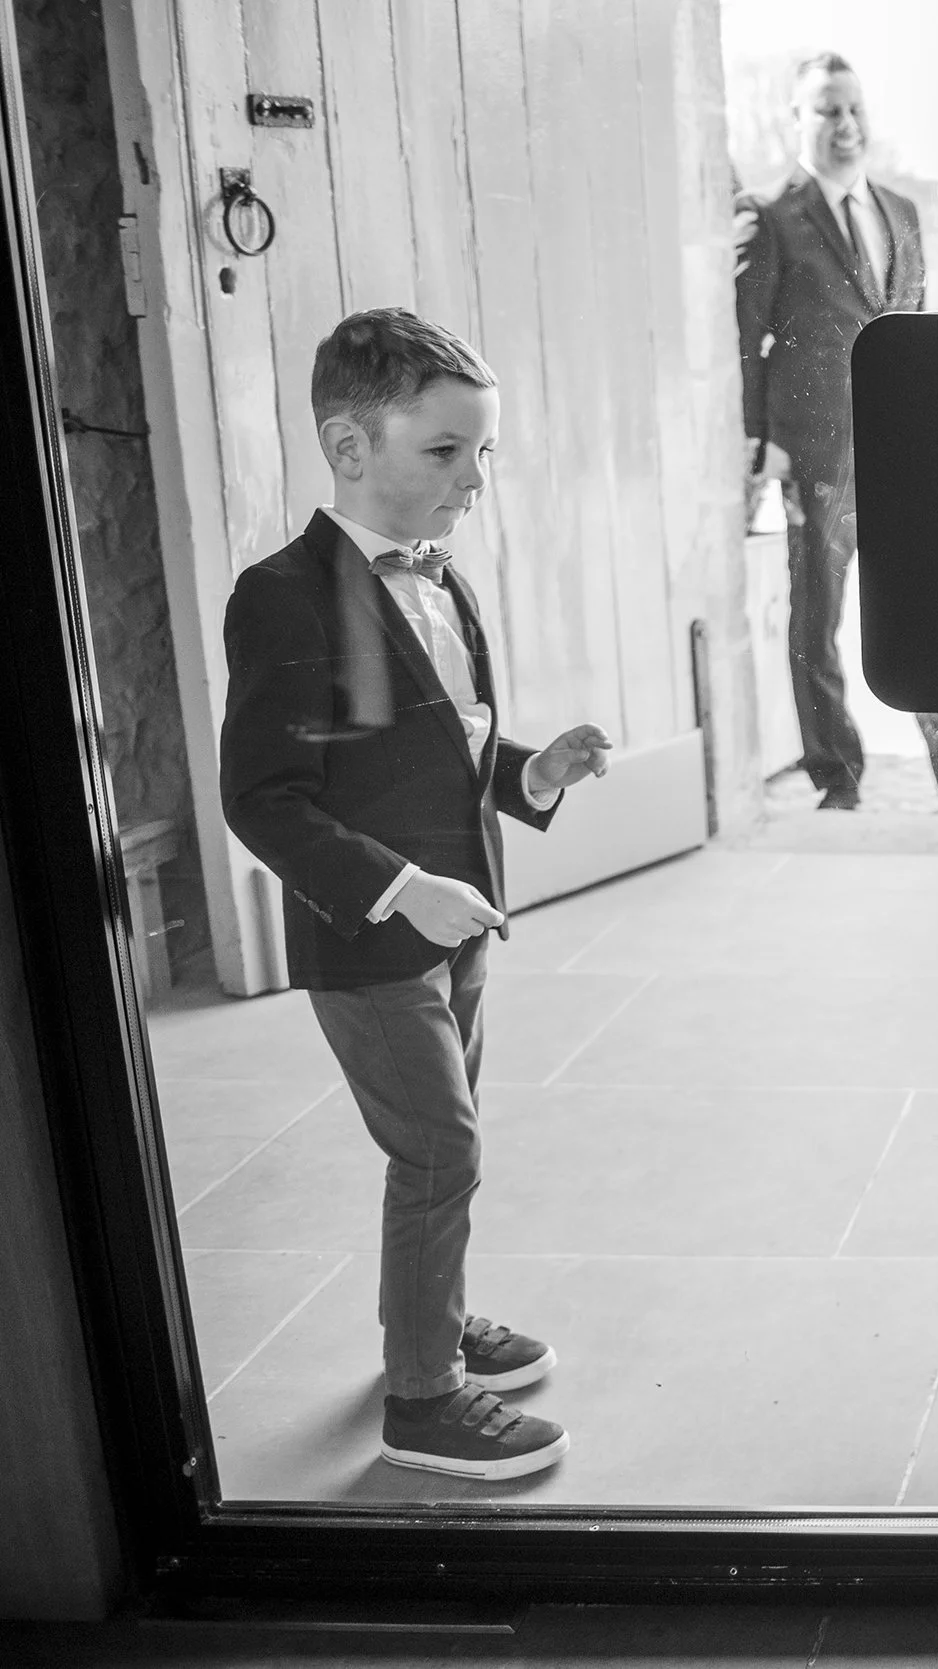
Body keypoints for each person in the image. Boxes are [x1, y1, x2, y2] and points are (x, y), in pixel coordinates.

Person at [220, 309, 613, 1480]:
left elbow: (436, 749)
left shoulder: (442, 584)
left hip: (459, 923)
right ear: (349, 448)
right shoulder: (285, 596)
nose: (474, 481)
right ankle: (422, 1397)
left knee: (451, 1144)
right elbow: (268, 799)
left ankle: (430, 1321)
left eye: (481, 454)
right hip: (376, 941)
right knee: (440, 1149)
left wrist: (528, 773)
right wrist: (399, 891)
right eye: (446, 454)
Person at [735, 52, 938, 811]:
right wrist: (756, 440)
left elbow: (919, 335)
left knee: (930, 614)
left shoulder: (901, 211)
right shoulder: (769, 216)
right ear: (796, 119)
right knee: (819, 625)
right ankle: (838, 775)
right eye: (828, 109)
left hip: (902, 459)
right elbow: (747, 338)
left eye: (855, 108)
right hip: (816, 458)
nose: (846, 125)